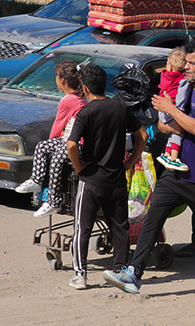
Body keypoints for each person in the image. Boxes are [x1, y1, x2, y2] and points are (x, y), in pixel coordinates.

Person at [104, 40, 195, 296]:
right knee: (152, 219)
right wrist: (174, 117)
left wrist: (173, 113)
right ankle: (133, 274)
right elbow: (164, 126)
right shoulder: (184, 88)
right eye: (185, 62)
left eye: (192, 63)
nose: (186, 67)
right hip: (174, 171)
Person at [66, 64, 147, 290]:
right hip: (117, 179)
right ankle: (120, 270)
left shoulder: (86, 112)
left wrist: (79, 166)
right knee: (119, 226)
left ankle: (80, 275)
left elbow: (71, 144)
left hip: (91, 180)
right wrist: (131, 160)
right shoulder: (121, 107)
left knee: (83, 227)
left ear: (84, 87)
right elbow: (142, 135)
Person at [15, 61, 88, 217]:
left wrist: (53, 140)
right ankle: (36, 180)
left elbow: (58, 124)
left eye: (56, 76)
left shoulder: (68, 100)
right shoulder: (77, 97)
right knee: (42, 146)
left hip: (76, 143)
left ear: (62, 81)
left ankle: (53, 201)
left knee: (55, 160)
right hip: (68, 139)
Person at [156, 47, 191, 172]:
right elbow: (181, 97)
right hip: (171, 109)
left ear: (169, 66)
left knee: (172, 133)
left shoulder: (165, 77)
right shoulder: (183, 81)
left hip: (161, 111)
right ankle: (174, 158)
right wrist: (178, 111)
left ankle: (166, 154)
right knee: (177, 132)